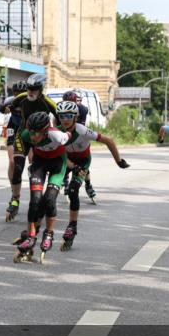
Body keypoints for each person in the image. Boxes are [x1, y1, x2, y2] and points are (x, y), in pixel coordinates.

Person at [55, 100, 129, 250]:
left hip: (83, 160)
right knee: (52, 188)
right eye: (62, 116)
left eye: (69, 116)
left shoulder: (82, 130)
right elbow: (58, 154)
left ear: (75, 117)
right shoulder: (57, 133)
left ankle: (72, 226)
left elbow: (109, 141)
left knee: (73, 190)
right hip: (67, 160)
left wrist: (118, 161)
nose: (65, 120)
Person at [12, 111, 69, 263]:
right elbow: (19, 146)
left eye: (37, 133)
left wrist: (76, 167)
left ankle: (49, 233)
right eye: (31, 132)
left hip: (58, 163)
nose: (33, 137)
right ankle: (31, 236)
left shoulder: (57, 135)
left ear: (45, 131)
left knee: (49, 199)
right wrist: (20, 159)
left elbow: (71, 138)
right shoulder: (25, 135)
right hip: (39, 163)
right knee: (35, 200)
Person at [4, 74, 57, 222]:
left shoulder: (47, 102)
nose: (30, 92)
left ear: (41, 89)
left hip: (40, 139)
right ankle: (15, 200)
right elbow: (9, 107)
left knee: (36, 170)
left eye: (34, 89)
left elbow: (60, 115)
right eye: (29, 88)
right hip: (23, 135)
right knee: (17, 167)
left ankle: (38, 199)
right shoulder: (21, 97)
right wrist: (6, 109)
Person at [63, 89, 96, 202]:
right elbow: (55, 122)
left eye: (71, 102)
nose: (67, 105)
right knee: (64, 159)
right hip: (66, 138)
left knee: (83, 163)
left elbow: (81, 127)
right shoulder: (60, 108)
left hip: (80, 138)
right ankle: (65, 180)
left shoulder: (82, 109)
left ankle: (88, 184)